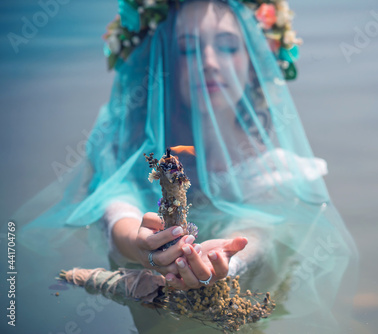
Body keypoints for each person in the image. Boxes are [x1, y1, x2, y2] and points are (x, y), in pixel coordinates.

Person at [19, 0, 358, 332]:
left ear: (254, 59)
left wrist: (230, 257)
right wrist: (138, 245)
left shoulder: (272, 164)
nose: (208, 61)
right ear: (162, 62)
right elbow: (116, 202)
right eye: (187, 50)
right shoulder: (130, 143)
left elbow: (263, 226)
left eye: (227, 46)